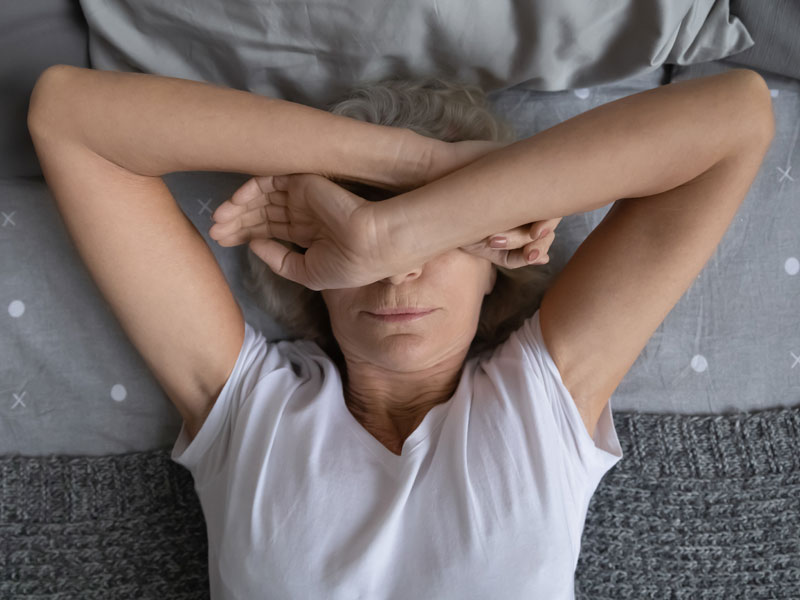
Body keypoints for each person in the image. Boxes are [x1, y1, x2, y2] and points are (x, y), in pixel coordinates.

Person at [27, 65, 774, 599]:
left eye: (439, 239)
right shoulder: (246, 414)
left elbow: (737, 115)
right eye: (357, 241)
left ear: (497, 269)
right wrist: (417, 166)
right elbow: (68, 114)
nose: (398, 273)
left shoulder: (543, 401)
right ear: (311, 276)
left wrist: (394, 226)